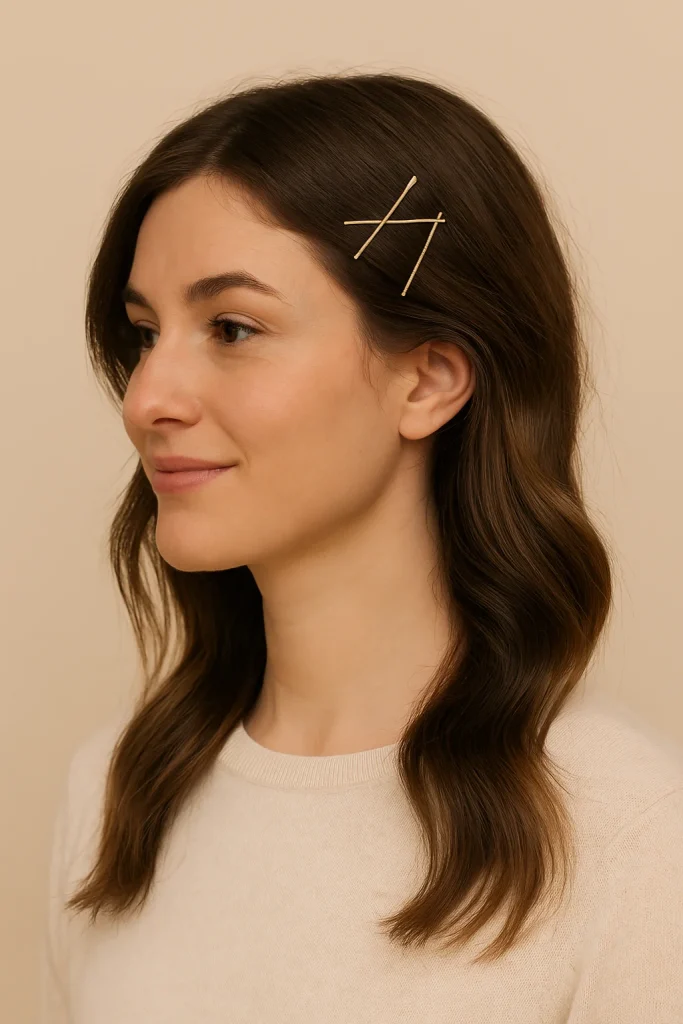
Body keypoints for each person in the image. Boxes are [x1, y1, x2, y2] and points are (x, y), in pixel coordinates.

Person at [41, 70, 683, 1023]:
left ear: (427, 380)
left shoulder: (625, 834)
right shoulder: (116, 797)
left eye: (231, 327)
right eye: (143, 334)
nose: (145, 400)